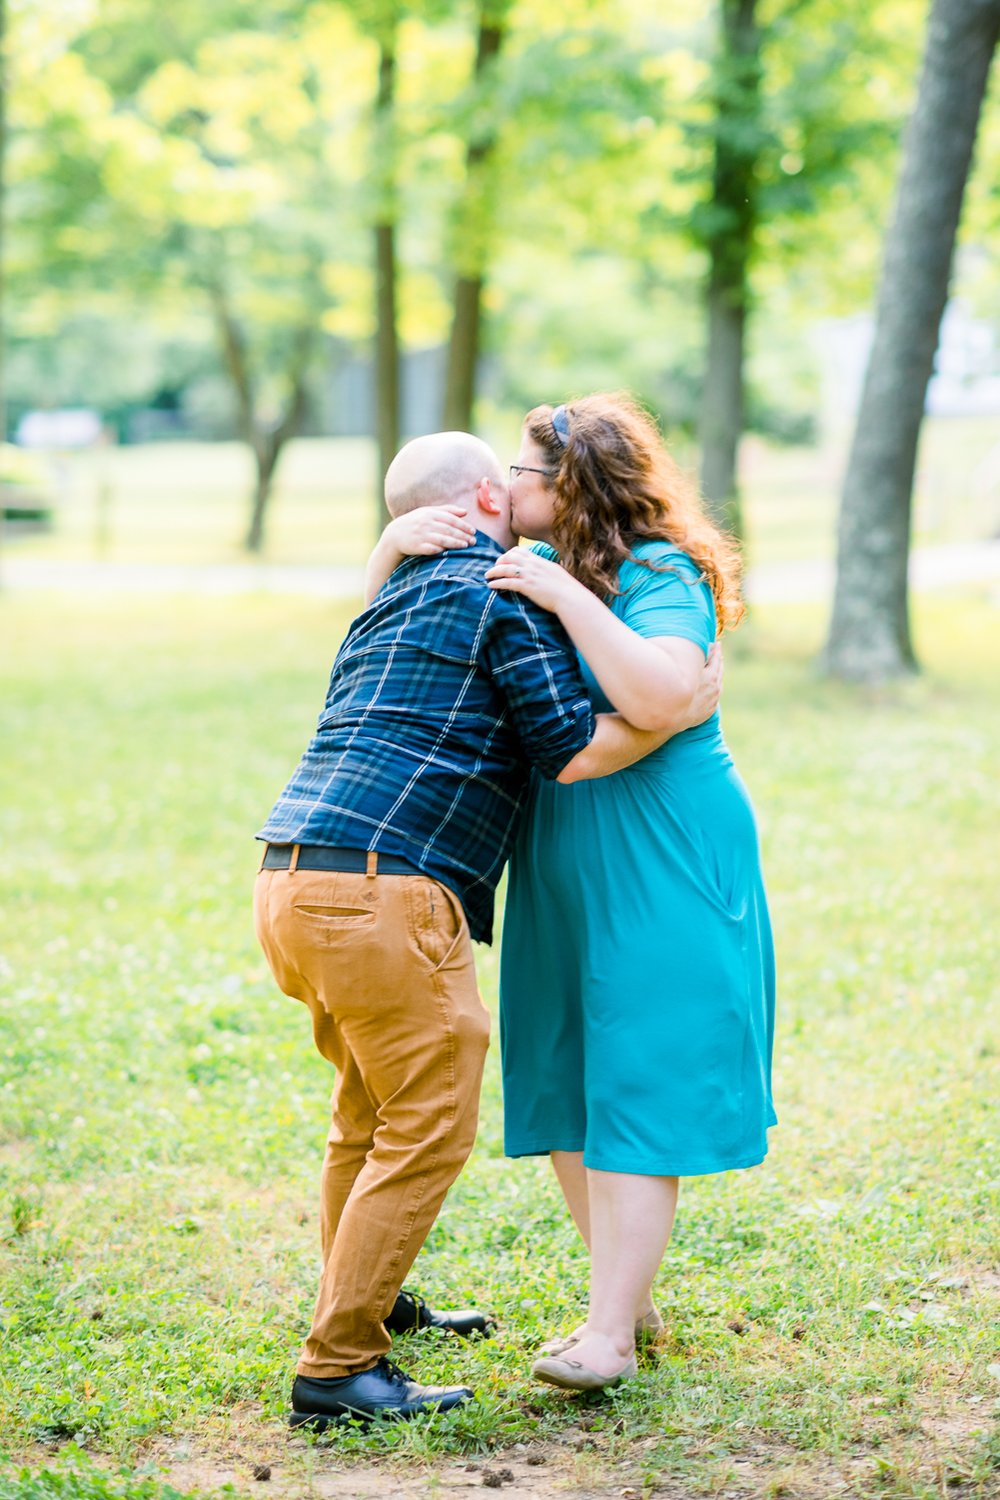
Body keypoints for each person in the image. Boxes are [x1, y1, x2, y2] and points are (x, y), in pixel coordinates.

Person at [254, 430, 721, 1429]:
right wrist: (677, 712)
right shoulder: (500, 591)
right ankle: (338, 1368)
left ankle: (366, 1298)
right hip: (388, 894)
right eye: (507, 478)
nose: (521, 488)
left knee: (366, 1117)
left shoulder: (389, 598)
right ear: (480, 500)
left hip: (291, 876)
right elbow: (571, 751)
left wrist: (384, 552)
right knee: (425, 1128)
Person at [382, 395, 775, 1395]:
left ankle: (608, 1338)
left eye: (525, 468)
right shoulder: (517, 567)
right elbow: (392, 669)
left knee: (638, 1074)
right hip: (558, 850)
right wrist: (390, 552)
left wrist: (565, 603)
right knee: (564, 1076)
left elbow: (652, 695)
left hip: (661, 849)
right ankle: (624, 1297)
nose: (509, 484)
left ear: (573, 485)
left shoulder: (658, 574)